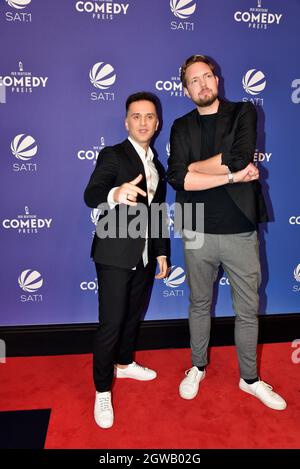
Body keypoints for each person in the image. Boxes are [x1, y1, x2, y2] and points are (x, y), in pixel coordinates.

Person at [167, 55, 287, 410]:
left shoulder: (243, 113)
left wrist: (194, 167)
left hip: (240, 228)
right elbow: (178, 178)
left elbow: (238, 156)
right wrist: (231, 176)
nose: (202, 84)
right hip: (196, 230)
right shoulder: (180, 126)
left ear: (217, 80)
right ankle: (197, 366)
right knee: (199, 303)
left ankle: (249, 379)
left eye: (207, 76)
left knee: (248, 309)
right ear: (185, 89)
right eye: (193, 80)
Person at [84, 92, 170, 428]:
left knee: (133, 317)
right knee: (111, 324)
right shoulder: (113, 155)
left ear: (157, 123)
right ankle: (102, 390)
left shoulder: (156, 166)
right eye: (137, 116)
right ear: (126, 122)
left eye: (149, 116)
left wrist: (162, 251)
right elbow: (91, 194)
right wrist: (115, 194)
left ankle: (125, 362)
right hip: (114, 255)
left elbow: (158, 213)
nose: (144, 122)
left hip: (146, 257)